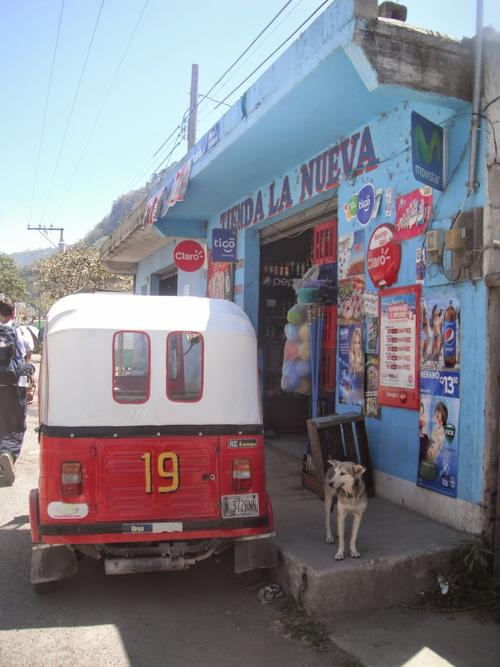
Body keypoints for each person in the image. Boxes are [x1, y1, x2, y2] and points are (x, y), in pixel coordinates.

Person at [0, 298, 34, 485]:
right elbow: (27, 361)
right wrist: (30, 387)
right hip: (15, 386)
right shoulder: (20, 331)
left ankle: (2, 454)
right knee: (17, 423)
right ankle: (8, 453)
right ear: (14, 313)